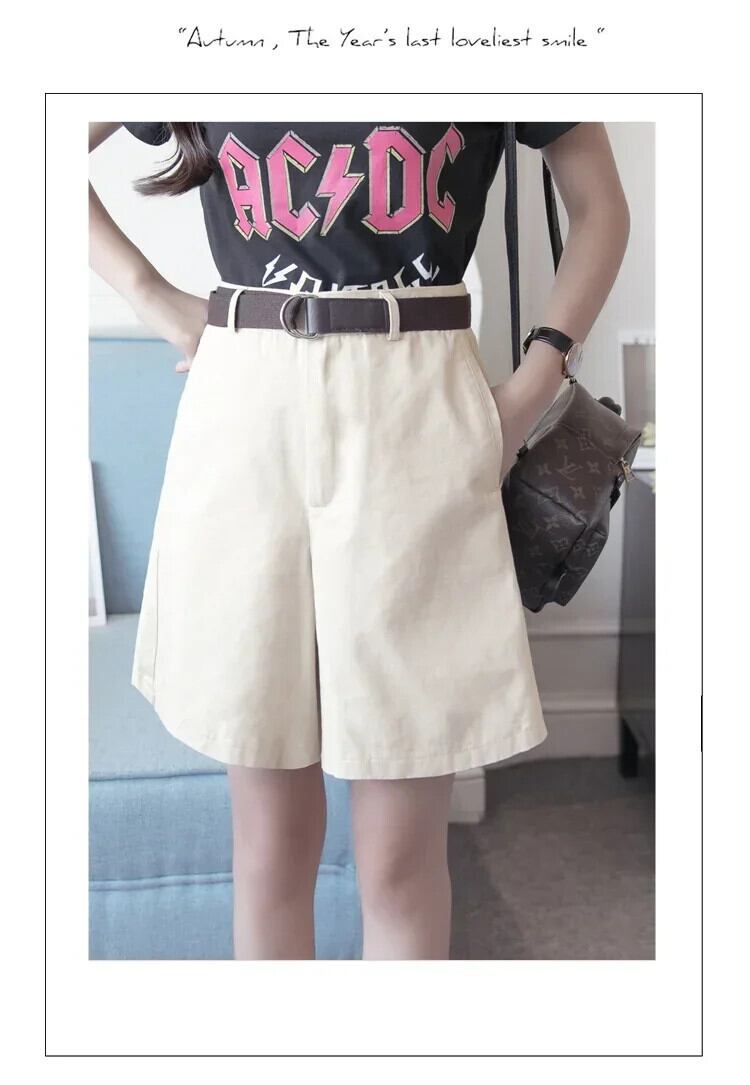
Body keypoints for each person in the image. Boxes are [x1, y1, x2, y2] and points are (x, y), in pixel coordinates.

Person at [88, 120, 630, 961]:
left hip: (418, 401)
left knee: (399, 861)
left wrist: (530, 389)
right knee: (268, 848)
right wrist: (151, 295)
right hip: (247, 408)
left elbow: (600, 207)